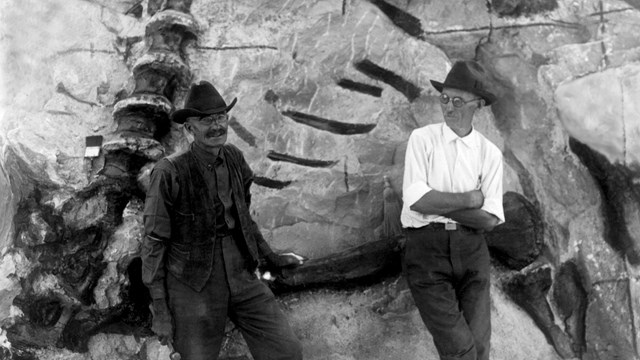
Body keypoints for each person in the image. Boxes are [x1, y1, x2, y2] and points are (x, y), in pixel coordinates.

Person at [141, 81, 304, 360]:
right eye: (206, 120)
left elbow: (244, 218)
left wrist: (270, 257)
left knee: (286, 351)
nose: (216, 126)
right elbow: (154, 241)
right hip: (193, 283)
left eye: (221, 117)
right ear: (190, 129)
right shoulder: (169, 172)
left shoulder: (234, 158)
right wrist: (160, 308)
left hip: (241, 272)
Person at [400, 60, 504, 360]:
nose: (449, 106)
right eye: (444, 98)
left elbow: (490, 218)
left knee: (480, 348)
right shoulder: (423, 140)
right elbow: (415, 200)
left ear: (478, 105)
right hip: (426, 251)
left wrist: (438, 204)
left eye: (458, 101)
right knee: (460, 350)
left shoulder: (490, 154)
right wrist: (470, 199)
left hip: (472, 251)